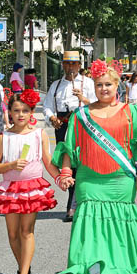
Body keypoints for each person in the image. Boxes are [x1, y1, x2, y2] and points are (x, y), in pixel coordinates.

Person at [52, 59, 137, 274]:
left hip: (120, 180)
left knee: (118, 229)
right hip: (88, 180)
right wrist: (65, 173)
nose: (103, 89)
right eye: (98, 85)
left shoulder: (131, 112)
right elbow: (68, 148)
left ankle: (120, 271)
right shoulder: (81, 115)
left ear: (118, 86)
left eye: (108, 84)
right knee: (90, 231)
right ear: (93, 87)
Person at [0, 90, 60, 274]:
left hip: (32, 188)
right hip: (11, 189)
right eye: (16, 110)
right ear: (9, 112)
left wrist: (60, 177)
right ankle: (23, 265)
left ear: (31, 113)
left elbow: (47, 161)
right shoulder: (3, 138)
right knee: (12, 234)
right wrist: (10, 165)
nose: (20, 114)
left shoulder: (39, 134)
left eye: (25, 111)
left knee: (27, 231)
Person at [42, 51, 96, 222]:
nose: (70, 67)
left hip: (82, 125)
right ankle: (72, 205)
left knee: (83, 165)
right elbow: (47, 106)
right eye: (67, 64)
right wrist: (52, 118)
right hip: (63, 127)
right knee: (69, 166)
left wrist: (83, 98)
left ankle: (80, 204)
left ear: (79, 66)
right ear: (63, 65)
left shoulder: (88, 83)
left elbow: (97, 104)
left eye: (74, 64)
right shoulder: (56, 85)